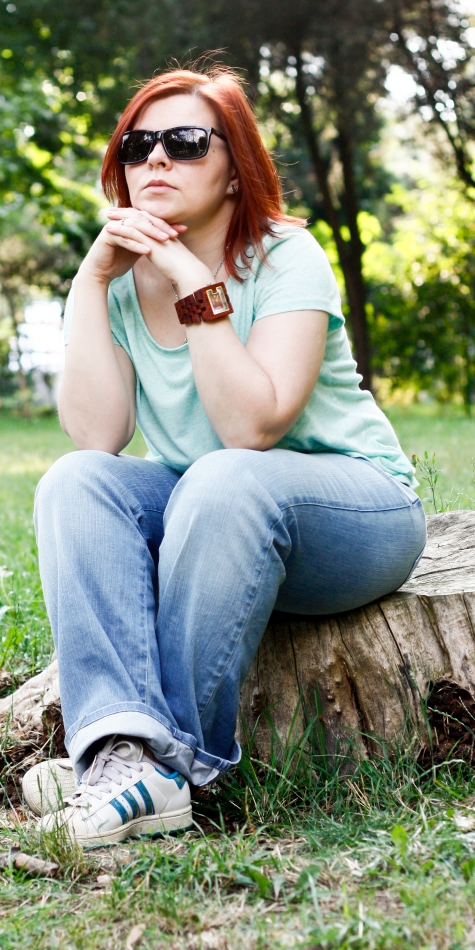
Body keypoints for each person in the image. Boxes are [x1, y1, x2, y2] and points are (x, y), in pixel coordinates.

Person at [22, 65, 426, 847]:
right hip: (208, 506)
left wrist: (191, 280)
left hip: (356, 516)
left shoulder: (286, 255)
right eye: (137, 146)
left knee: (227, 474)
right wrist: (90, 282)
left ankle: (169, 763)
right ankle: (119, 751)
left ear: (236, 171)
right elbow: (96, 436)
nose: (155, 159)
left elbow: (250, 429)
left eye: (183, 143)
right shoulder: (121, 281)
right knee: (76, 483)